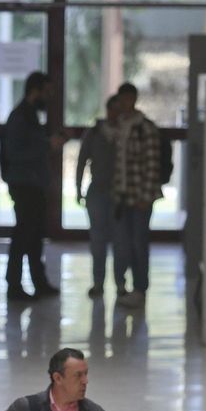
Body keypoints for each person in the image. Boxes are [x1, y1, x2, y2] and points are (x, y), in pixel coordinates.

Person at [0, 71, 63, 301]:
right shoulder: (20, 117)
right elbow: (15, 152)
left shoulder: (30, 116)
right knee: (23, 235)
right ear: (36, 91)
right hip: (24, 184)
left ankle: (39, 282)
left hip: (33, 184)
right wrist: (47, 145)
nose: (49, 97)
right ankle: (14, 285)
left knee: (35, 235)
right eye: (47, 92)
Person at [112, 83, 164, 310]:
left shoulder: (145, 129)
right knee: (125, 244)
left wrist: (145, 196)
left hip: (140, 197)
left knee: (138, 243)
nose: (124, 104)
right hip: (123, 197)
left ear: (133, 99)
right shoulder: (120, 127)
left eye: (127, 99)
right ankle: (127, 285)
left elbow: (152, 165)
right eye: (121, 100)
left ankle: (140, 288)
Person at [75, 95, 132, 299]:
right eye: (113, 109)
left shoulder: (126, 133)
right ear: (107, 110)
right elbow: (82, 160)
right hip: (97, 191)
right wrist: (78, 188)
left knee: (120, 241)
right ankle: (98, 282)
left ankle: (120, 283)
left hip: (119, 193)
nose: (116, 114)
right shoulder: (94, 133)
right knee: (98, 240)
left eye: (119, 110)